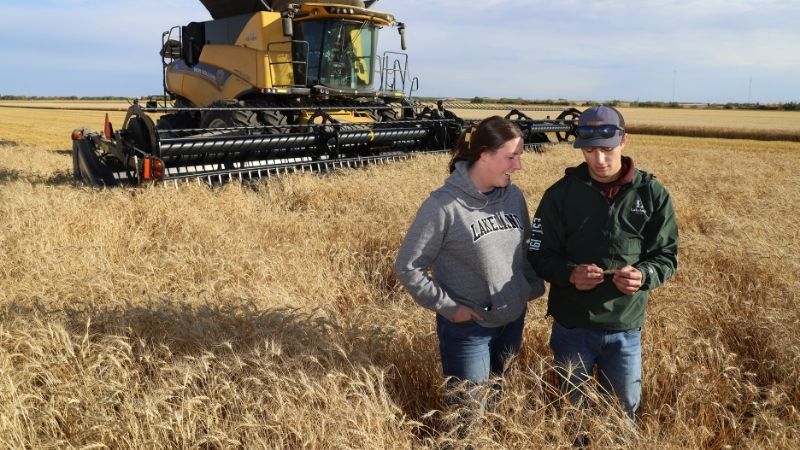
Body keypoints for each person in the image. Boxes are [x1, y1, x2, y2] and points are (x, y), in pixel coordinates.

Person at [527, 105, 678, 424]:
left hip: (625, 328)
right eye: (590, 150)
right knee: (572, 415)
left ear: (624, 141)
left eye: (606, 149)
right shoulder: (560, 195)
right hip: (572, 327)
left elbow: (666, 255)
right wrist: (570, 274)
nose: (598, 159)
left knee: (623, 416)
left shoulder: (652, 194)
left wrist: (644, 275)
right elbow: (538, 253)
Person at [394, 116, 545, 432]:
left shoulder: (514, 197)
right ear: (485, 154)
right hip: (469, 330)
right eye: (511, 157)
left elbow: (524, 248)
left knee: (496, 404)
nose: (518, 166)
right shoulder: (444, 205)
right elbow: (408, 266)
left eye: (520, 156)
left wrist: (529, 287)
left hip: (512, 320)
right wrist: (451, 309)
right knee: (468, 417)